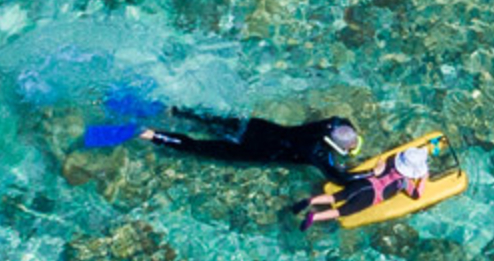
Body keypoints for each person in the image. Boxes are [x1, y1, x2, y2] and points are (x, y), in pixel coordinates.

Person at [139, 108, 365, 185]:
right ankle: (152, 135)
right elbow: (339, 178)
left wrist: (348, 133)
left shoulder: (329, 124)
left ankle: (177, 111)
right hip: (253, 150)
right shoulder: (318, 154)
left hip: (259, 129)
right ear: (333, 146)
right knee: (198, 147)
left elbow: (340, 121)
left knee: (214, 122)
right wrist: (371, 173)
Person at [292, 146, 430, 230]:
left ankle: (310, 201)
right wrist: (423, 178)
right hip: (369, 197)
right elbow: (417, 195)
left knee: (336, 196)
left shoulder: (392, 161)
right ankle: (314, 216)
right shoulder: (405, 182)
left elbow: (382, 163)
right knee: (341, 211)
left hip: (364, 183)